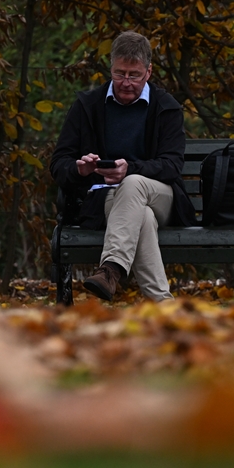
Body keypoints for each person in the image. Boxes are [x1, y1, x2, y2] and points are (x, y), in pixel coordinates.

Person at [50, 31, 195, 301]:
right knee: (143, 217)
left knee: (132, 184)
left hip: (160, 196)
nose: (126, 83)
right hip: (105, 200)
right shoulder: (87, 106)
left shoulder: (166, 107)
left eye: (134, 75)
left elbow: (172, 165)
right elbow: (59, 163)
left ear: (148, 72)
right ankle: (164, 306)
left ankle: (111, 269)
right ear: (111, 68)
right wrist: (79, 170)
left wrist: (131, 170)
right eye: (120, 74)